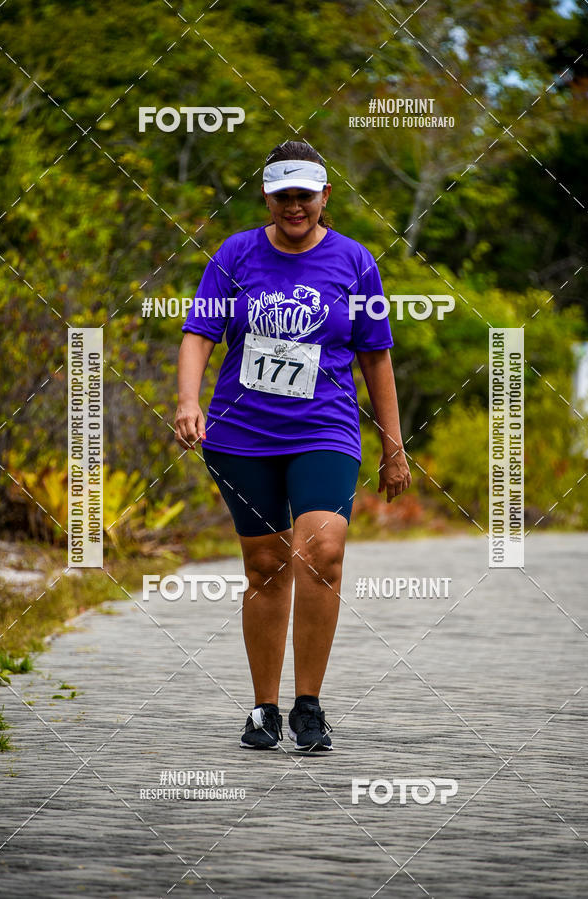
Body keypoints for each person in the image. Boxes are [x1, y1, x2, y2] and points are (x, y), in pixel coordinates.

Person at [175, 140, 411, 753]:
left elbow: (376, 355)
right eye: (284, 195)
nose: (295, 206)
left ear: (325, 196)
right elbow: (200, 333)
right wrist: (187, 402)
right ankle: (263, 709)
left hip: (325, 430)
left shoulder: (355, 262)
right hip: (242, 433)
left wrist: (393, 444)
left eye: (306, 195)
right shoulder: (235, 255)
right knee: (265, 566)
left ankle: (309, 705)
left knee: (322, 553)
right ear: (268, 198)